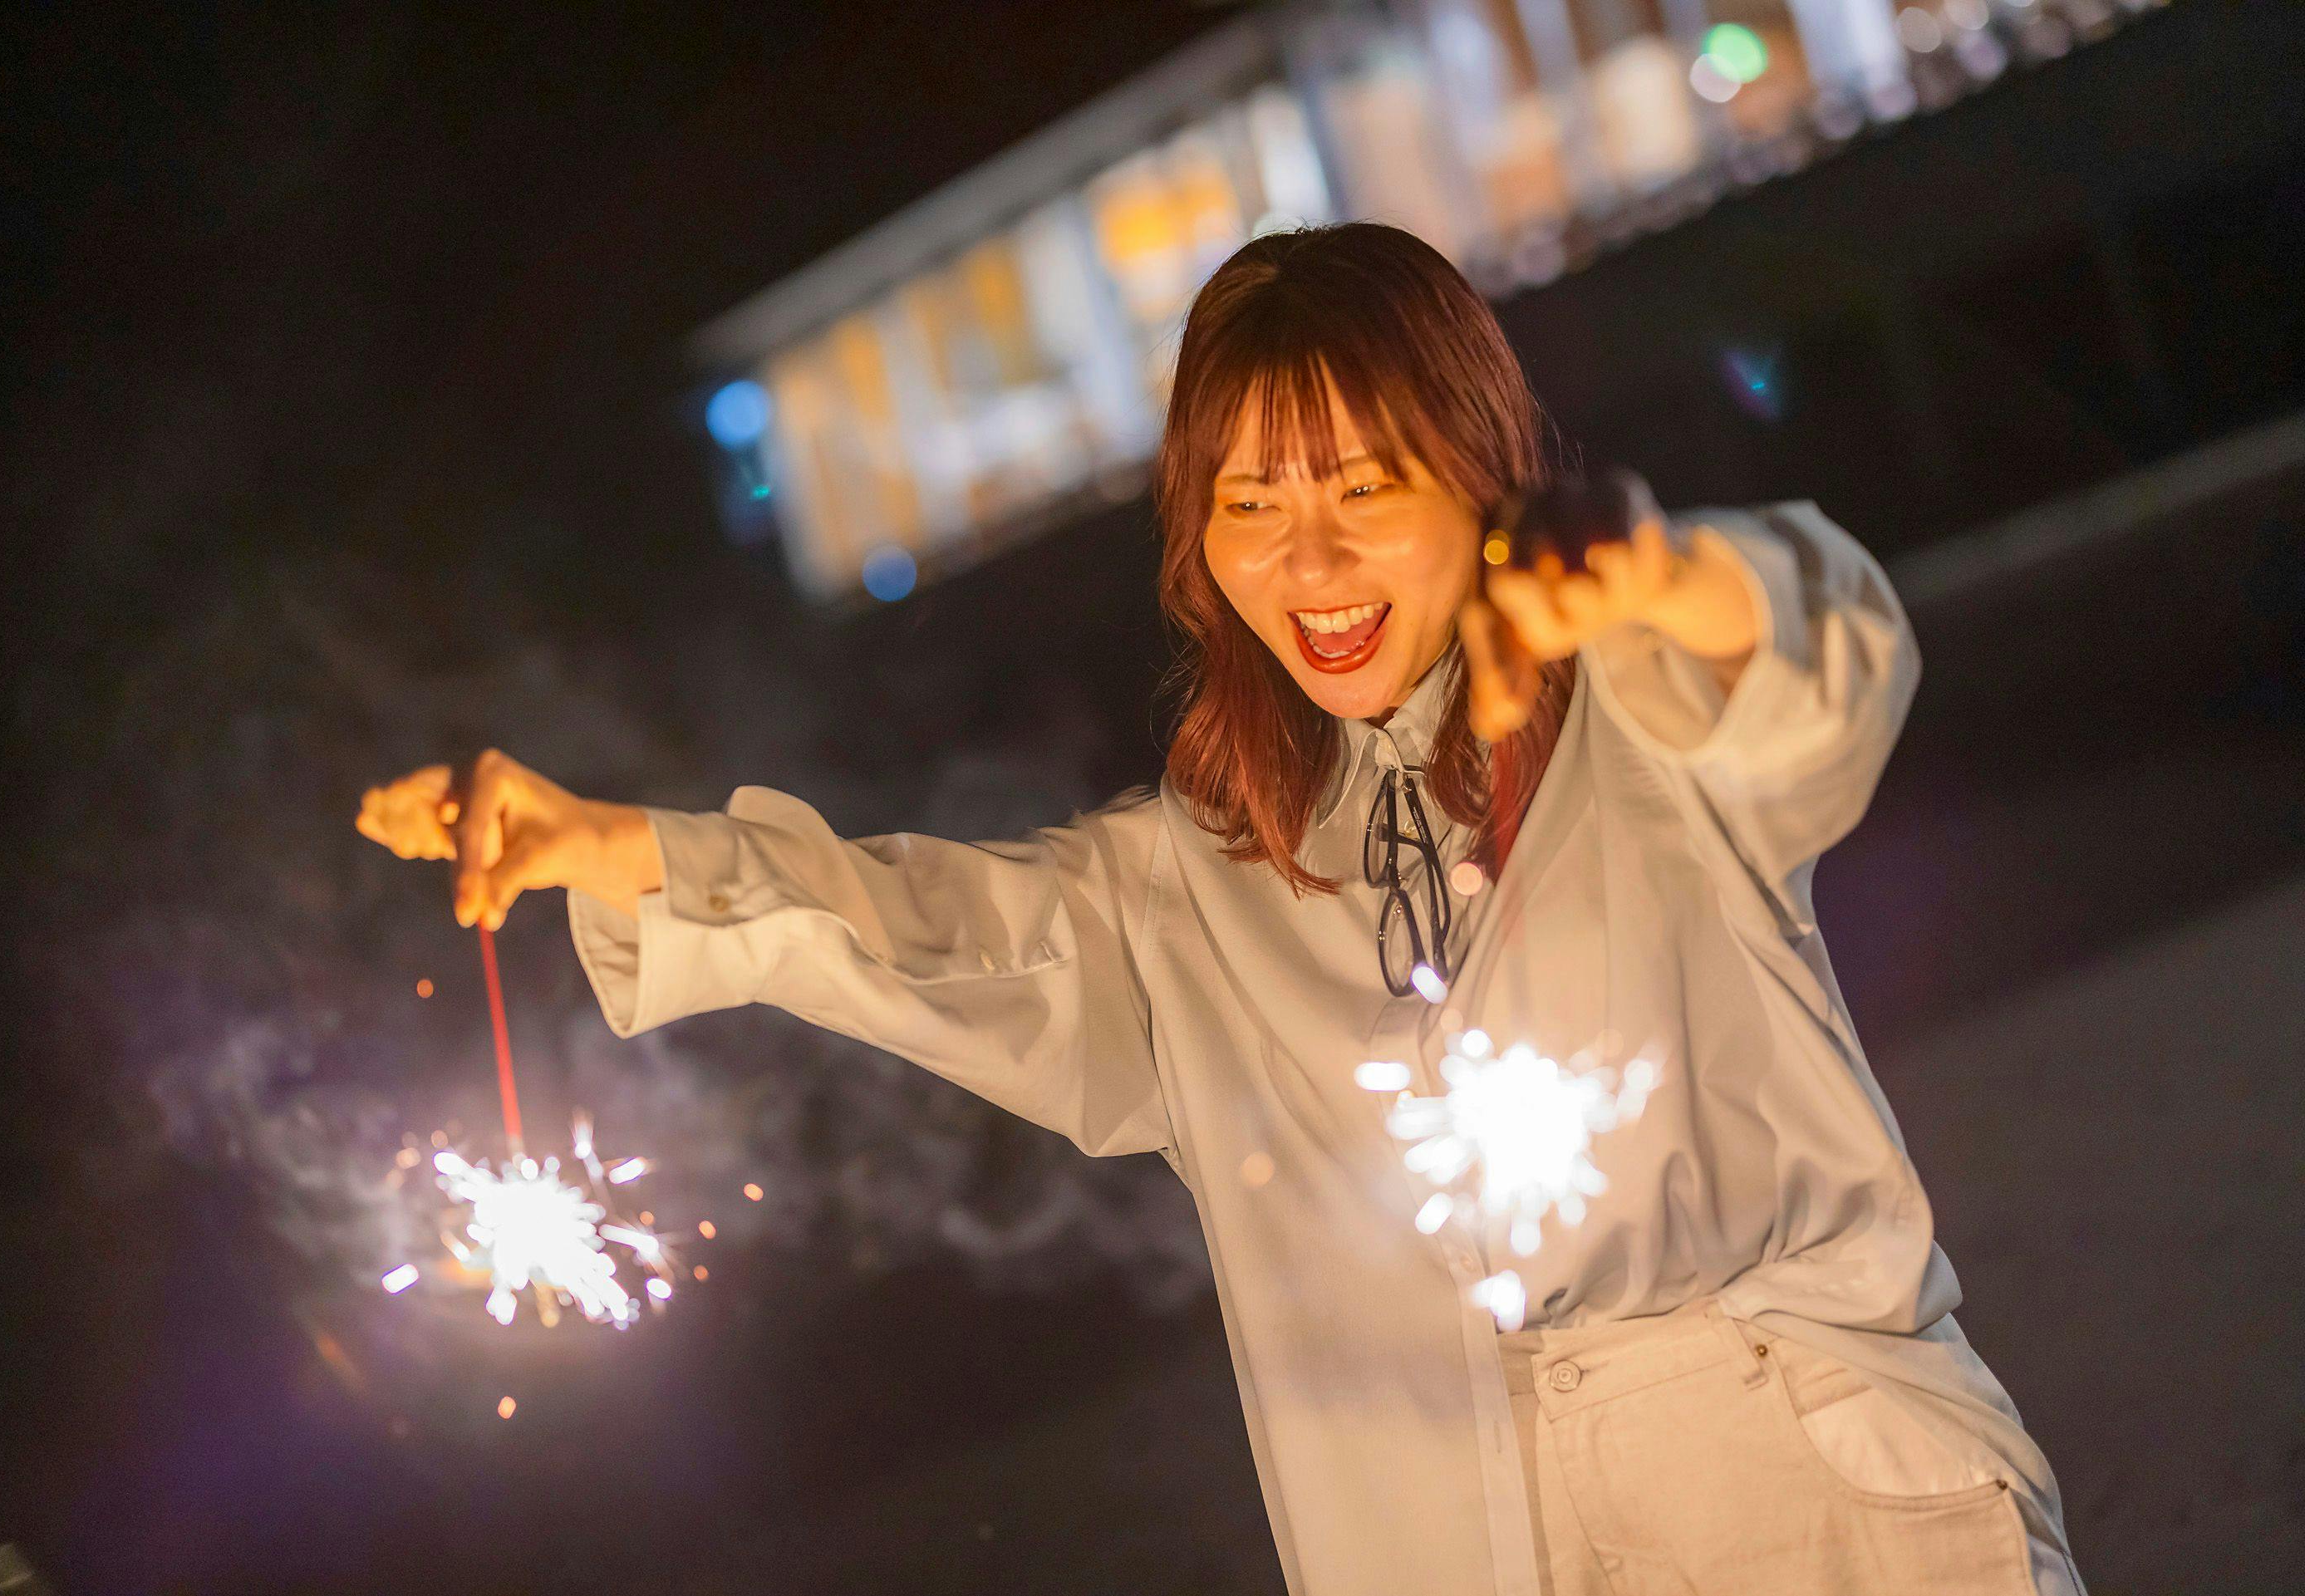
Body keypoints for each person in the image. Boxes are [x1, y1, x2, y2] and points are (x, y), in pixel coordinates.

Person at [357, 223, 2083, 1595]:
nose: (1308, 565)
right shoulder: (1201, 883)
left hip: (1813, 1498)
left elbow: (1820, 660)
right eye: (1251, 501)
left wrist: (1659, 575)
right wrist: (619, 849)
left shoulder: (1651, 728)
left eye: (1363, 486)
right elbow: (931, 924)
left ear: (1478, 475)